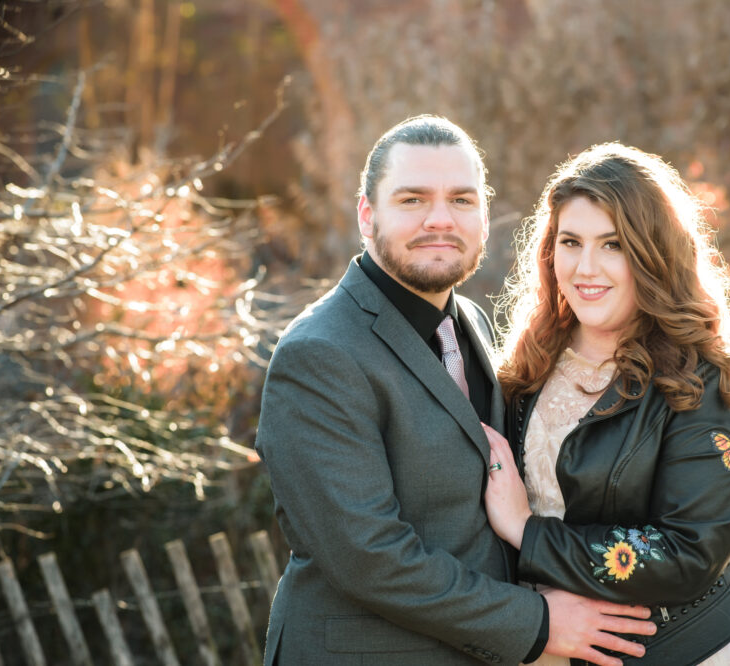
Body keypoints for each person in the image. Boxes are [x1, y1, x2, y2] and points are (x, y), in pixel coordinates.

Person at [254, 117, 657, 666]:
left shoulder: (468, 321)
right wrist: (537, 625)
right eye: (413, 199)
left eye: (461, 200)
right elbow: (369, 557)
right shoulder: (319, 355)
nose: (440, 219)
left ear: (484, 218)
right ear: (367, 216)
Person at [483, 143, 730, 665]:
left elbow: (689, 554)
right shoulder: (525, 366)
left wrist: (528, 534)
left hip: (696, 649)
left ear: (653, 252)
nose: (586, 267)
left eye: (613, 244)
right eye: (571, 242)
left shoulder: (707, 377)